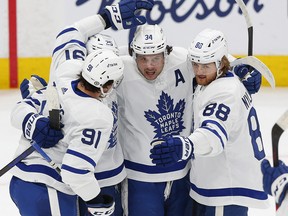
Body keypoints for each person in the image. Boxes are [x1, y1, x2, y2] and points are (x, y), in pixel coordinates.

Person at [9, 0, 153, 215]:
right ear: (106, 86)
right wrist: (96, 200)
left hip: (29, 179)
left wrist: (105, 18)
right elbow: (75, 172)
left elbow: (69, 34)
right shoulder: (97, 116)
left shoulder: (67, 69)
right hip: (51, 184)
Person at [116, 24, 263, 216]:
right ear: (133, 55)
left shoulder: (186, 63)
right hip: (142, 177)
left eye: (156, 58)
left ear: (166, 53)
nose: (149, 65)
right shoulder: (120, 69)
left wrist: (238, 65)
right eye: (143, 59)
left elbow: (213, 133)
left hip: (192, 179)